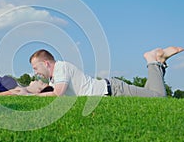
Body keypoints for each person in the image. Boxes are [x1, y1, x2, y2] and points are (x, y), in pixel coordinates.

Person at [28, 46, 184, 97]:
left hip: (114, 90)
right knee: (150, 92)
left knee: (158, 97)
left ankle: (152, 60)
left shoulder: (61, 67)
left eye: (35, 68)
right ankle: (160, 62)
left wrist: (33, 95)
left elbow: (58, 93)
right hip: (111, 90)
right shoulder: (54, 78)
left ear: (46, 63)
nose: (35, 72)